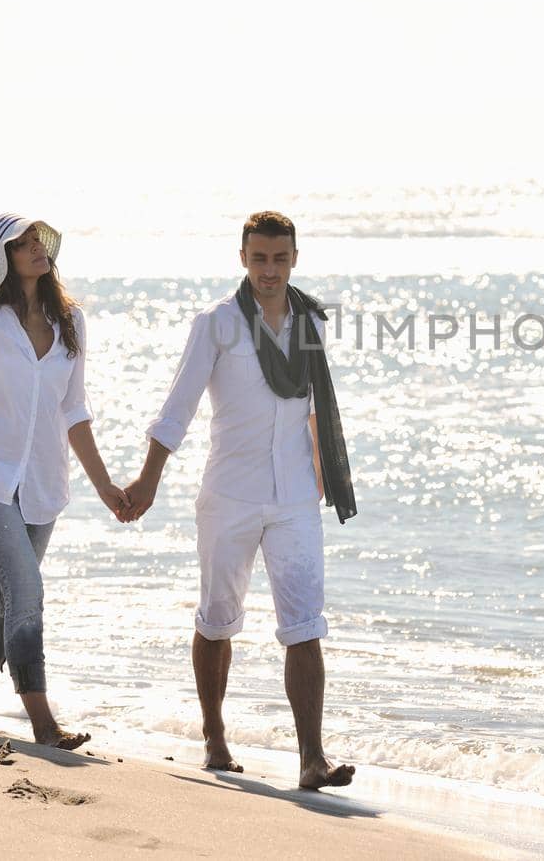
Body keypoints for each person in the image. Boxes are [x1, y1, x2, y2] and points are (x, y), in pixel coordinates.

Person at [124, 210, 357, 789]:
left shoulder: (311, 322)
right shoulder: (218, 324)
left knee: (305, 623)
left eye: (280, 258)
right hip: (230, 494)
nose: (270, 270)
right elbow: (177, 408)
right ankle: (214, 736)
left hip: (296, 497)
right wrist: (148, 480)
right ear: (243, 258)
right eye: (259, 258)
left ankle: (311, 759)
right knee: (218, 619)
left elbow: (310, 407)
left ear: (295, 258)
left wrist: (328, 474)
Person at [0, 213, 132, 750]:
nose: (37, 248)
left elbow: (75, 408)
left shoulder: (72, 322)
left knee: (2, 598)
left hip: (42, 485)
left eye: (38, 240)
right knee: (26, 589)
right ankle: (42, 720)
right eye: (21, 244)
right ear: (3, 258)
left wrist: (105, 484)